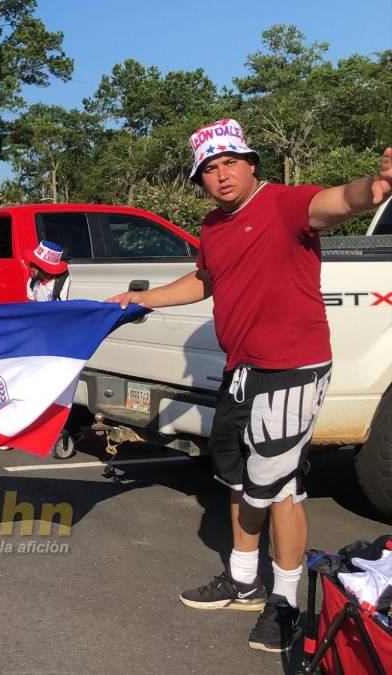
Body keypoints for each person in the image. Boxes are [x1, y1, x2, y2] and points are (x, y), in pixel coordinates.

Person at [109, 118, 392, 654]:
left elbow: (336, 202)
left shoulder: (283, 204)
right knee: (239, 479)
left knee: (279, 490)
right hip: (241, 371)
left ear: (251, 163)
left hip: (292, 369)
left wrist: (373, 188)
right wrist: (141, 299)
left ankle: (285, 603)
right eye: (210, 169)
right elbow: (204, 280)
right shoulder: (214, 226)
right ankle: (243, 582)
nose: (222, 175)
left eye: (230, 163)